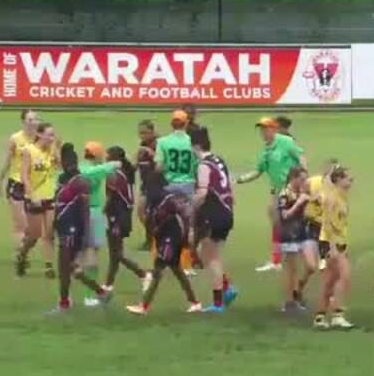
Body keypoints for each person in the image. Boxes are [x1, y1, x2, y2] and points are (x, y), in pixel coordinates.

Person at [236, 117, 305, 273]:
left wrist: (303, 176)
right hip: (277, 191)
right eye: (261, 129)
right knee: (276, 221)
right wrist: (240, 179)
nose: (263, 132)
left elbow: (300, 156)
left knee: (298, 221)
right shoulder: (265, 151)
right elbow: (258, 171)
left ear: (274, 129)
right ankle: (277, 259)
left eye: (266, 128)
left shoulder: (285, 142)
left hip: (292, 190)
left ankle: (308, 253)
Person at [50, 146, 111, 312]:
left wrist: (84, 233)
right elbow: (58, 203)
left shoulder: (80, 181)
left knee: (64, 267)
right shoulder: (62, 179)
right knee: (70, 267)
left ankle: (64, 303)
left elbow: (84, 209)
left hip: (72, 228)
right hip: (64, 225)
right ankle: (101, 292)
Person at [127, 189, 202, 315]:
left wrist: (188, 234)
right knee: (178, 272)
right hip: (166, 239)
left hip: (171, 240)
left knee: (158, 271)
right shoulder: (155, 205)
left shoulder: (168, 202)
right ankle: (195, 303)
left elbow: (184, 215)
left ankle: (143, 306)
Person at [192, 127, 237, 313]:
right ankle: (226, 288)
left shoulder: (203, 165)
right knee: (207, 255)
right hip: (226, 212)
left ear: (196, 145)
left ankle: (218, 303)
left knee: (212, 258)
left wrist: (189, 206)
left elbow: (202, 193)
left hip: (213, 214)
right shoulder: (219, 160)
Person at [73, 142, 122, 306]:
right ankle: (90, 295)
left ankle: (70, 293)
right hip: (95, 213)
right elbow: (94, 172)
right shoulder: (94, 171)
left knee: (78, 254)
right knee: (92, 254)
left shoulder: (80, 167)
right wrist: (111, 165)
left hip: (78, 214)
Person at [102, 146, 148, 297]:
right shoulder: (126, 171)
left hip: (116, 216)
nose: (105, 157)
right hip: (124, 215)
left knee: (117, 254)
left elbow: (109, 199)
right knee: (115, 253)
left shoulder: (113, 175)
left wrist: (101, 213)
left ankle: (143, 274)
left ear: (113, 158)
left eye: (107, 155)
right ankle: (108, 286)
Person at [16, 123, 59, 279]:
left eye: (53, 135)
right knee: (34, 235)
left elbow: (58, 168)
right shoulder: (30, 151)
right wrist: (30, 194)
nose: (51, 138)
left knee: (49, 233)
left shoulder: (51, 152)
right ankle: (22, 254)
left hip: (49, 196)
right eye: (49, 135)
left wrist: (57, 152)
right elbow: (24, 175)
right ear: (40, 135)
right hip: (34, 197)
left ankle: (48, 266)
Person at [315, 165, 355, 329]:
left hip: (339, 242)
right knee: (344, 276)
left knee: (331, 281)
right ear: (339, 180)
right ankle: (337, 314)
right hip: (331, 242)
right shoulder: (333, 198)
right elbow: (328, 223)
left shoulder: (341, 195)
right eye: (348, 178)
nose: (351, 181)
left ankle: (320, 317)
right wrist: (332, 247)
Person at [277, 166, 318, 312]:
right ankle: (289, 302)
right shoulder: (285, 194)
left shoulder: (301, 191)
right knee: (291, 271)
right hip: (288, 235)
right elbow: (285, 216)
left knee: (311, 265)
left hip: (302, 233)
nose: (305, 182)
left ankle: (298, 292)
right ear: (293, 178)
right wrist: (300, 202)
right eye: (302, 179)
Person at [0, 109, 40, 248]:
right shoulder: (16, 138)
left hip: (35, 184)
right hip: (16, 182)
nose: (33, 123)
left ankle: (24, 250)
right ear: (23, 122)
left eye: (35, 119)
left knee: (34, 227)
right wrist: (1, 179)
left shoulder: (41, 139)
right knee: (20, 223)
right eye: (30, 120)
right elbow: (7, 159)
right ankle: (20, 254)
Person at [135, 119, 164, 252]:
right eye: (140, 133)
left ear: (152, 132)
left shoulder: (160, 144)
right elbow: (137, 164)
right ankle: (153, 238)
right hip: (146, 184)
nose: (142, 136)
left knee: (150, 213)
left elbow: (163, 164)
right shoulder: (142, 145)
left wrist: (150, 153)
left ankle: (154, 240)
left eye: (145, 133)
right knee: (142, 212)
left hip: (159, 185)